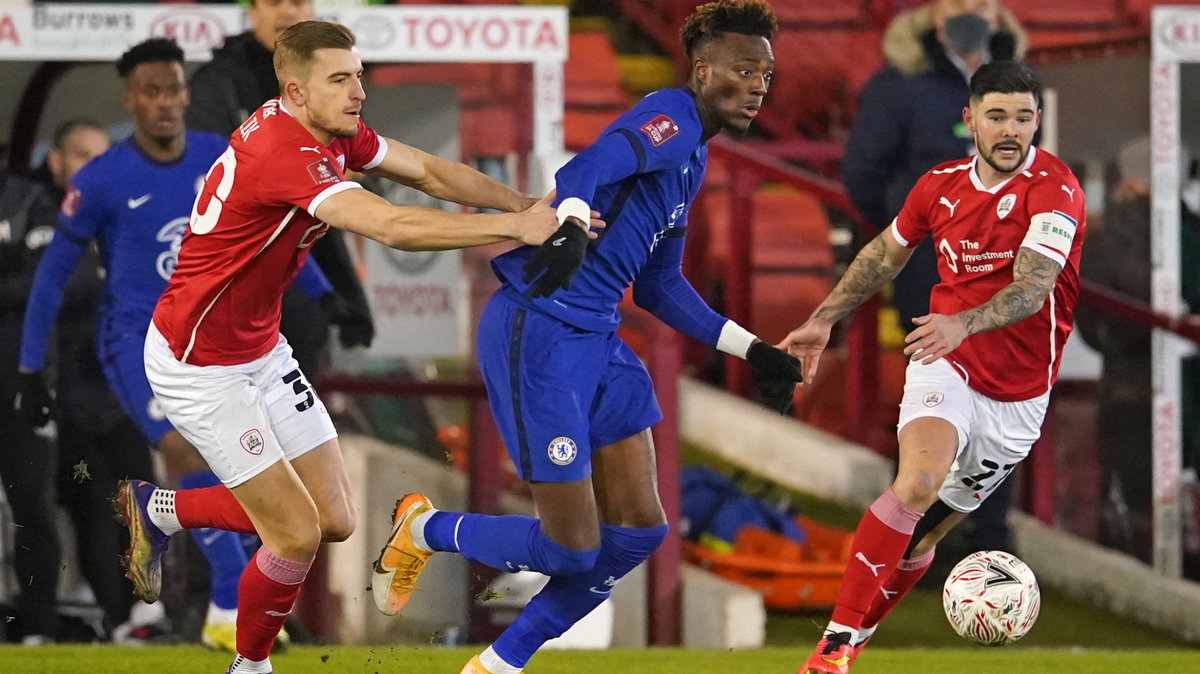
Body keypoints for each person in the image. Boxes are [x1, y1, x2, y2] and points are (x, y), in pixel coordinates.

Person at [117, 21, 571, 674]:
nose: (359, 90)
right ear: (296, 92)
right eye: (340, 79)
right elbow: (389, 226)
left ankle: (160, 509)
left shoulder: (327, 130)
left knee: (334, 519)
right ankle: (249, 666)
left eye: (358, 74)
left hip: (261, 350)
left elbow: (426, 170)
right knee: (293, 534)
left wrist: (526, 204)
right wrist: (513, 230)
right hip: (198, 364)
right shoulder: (282, 149)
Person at [369, 3, 802, 674]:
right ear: (702, 69)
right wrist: (570, 220)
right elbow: (588, 165)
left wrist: (753, 349)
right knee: (573, 547)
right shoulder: (672, 117)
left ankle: (496, 665)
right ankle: (425, 529)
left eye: (766, 76)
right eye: (744, 71)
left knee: (638, 531)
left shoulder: (692, 161)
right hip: (539, 333)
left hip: (598, 339)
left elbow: (659, 286)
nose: (757, 86)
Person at [14, 39, 333, 651]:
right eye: (152, 92)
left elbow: (276, 226)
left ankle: (158, 511)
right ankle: (227, 599)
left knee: (265, 475)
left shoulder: (221, 153)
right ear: (131, 99)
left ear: (187, 93)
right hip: (138, 340)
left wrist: (323, 294)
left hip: (221, 338)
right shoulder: (102, 178)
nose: (166, 104)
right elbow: (54, 273)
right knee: (186, 451)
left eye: (175, 90)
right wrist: (31, 368)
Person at [782, 61, 1084, 673]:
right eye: (997, 116)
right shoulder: (938, 185)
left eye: (1024, 118)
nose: (1011, 131)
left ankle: (853, 643)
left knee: (922, 538)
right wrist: (824, 317)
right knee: (916, 484)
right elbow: (883, 255)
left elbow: (1033, 288)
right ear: (969, 119)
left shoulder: (1056, 191)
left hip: (1020, 397)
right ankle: (831, 650)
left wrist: (964, 320)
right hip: (946, 362)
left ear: (1038, 121)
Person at [840, 0, 1028, 562]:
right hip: (931, 274)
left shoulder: (1025, 83)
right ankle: (917, 542)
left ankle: (990, 536)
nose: (971, 12)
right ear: (933, 16)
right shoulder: (899, 86)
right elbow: (863, 175)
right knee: (935, 400)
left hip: (1012, 273)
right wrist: (915, 231)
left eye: (981, 3)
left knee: (1004, 400)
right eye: (957, 3)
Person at [30, 118, 173, 643]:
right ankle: (116, 619)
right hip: (64, 397)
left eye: (101, 155)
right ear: (57, 162)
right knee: (92, 505)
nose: (94, 165)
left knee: (145, 500)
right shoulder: (44, 222)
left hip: (121, 395)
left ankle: (147, 612)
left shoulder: (121, 221)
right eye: (81, 154)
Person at [187, 0, 375, 380]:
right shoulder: (217, 81)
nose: (287, 11)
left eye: (298, 2)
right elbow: (216, 172)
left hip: (308, 255)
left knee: (300, 392)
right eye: (274, 2)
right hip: (238, 267)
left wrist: (344, 293)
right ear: (252, 11)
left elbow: (353, 163)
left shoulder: (331, 76)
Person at [1074, 136, 1152, 560]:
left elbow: (1089, 316)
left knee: (1125, 476)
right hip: (1139, 372)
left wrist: (1110, 343)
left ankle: (1129, 549)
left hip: (1122, 374)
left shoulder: (1101, 232)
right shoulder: (1161, 228)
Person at [1, 167, 62, 646]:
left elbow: (48, 282)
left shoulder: (31, 199)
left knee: (32, 508)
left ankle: (37, 626)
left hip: (24, 383)